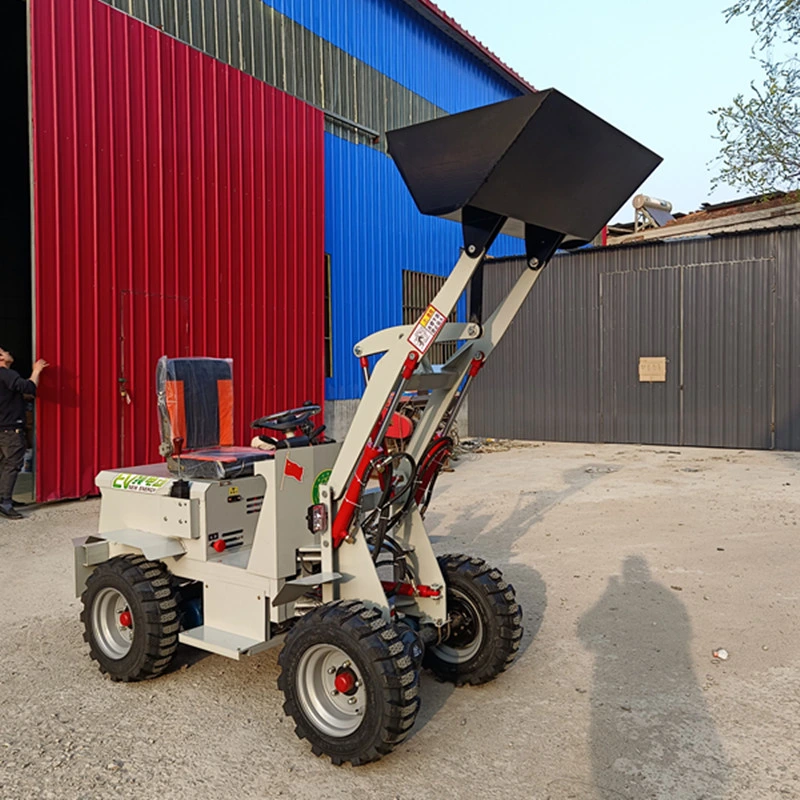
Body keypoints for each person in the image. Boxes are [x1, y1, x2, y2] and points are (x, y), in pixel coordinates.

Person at [0, 347, 47, 520]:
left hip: (2, 428)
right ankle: (5, 503)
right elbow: (28, 388)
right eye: (4, 352)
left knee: (4, 465)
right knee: (12, 465)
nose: (8, 353)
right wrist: (36, 371)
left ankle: (5, 498)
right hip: (11, 429)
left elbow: (16, 395)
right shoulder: (6, 373)